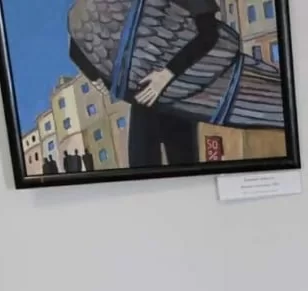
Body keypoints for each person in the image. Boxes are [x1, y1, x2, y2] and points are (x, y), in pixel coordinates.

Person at [69, 0, 223, 168]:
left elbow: (209, 35)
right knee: (156, 163)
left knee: (169, 162)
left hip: (176, 92)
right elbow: (77, 48)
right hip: (156, 94)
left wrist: (166, 74)